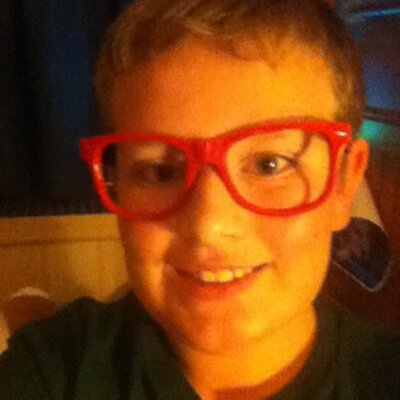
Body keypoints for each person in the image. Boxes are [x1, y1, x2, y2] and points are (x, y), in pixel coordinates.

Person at [1, 0, 399, 399]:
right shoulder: (55, 368)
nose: (208, 225)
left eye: (269, 164)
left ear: (344, 182)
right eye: (160, 171)